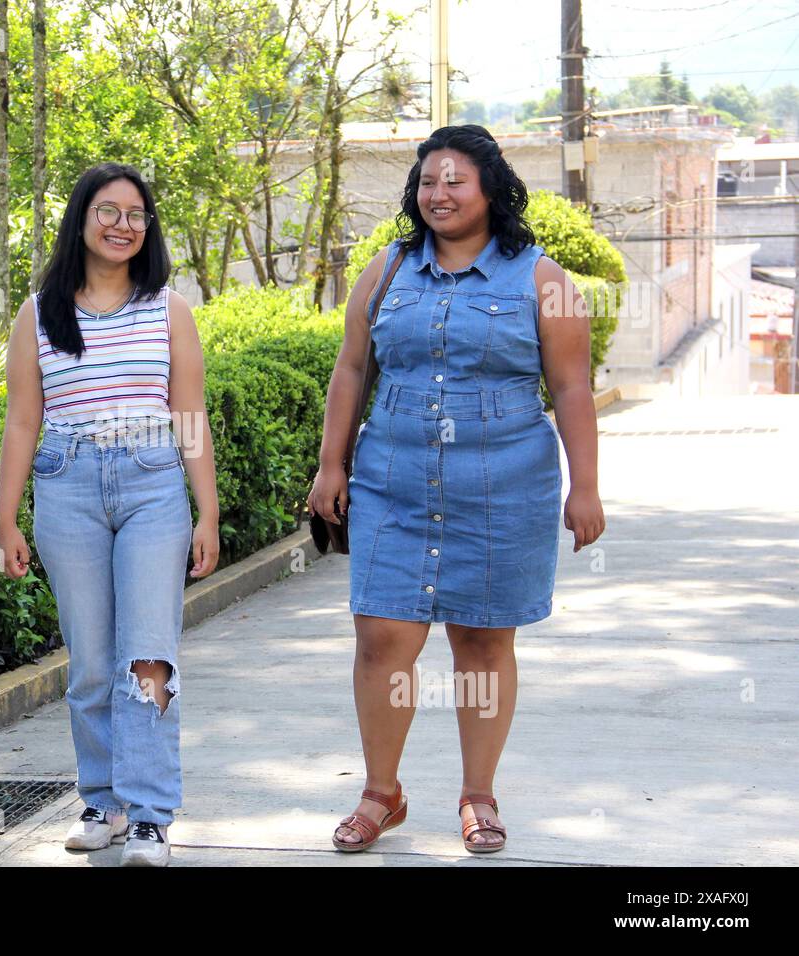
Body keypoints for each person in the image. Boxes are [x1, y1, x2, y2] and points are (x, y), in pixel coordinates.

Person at [308, 125, 605, 855]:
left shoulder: (544, 280)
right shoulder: (385, 270)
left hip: (504, 485)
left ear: (489, 189)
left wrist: (586, 487)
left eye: (454, 182)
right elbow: (352, 370)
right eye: (427, 182)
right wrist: (331, 464)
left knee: (480, 640)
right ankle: (382, 794)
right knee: (382, 635)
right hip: (394, 480)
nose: (437, 194)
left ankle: (478, 795)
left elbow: (571, 389)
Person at [0, 162, 220, 867]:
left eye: (137, 214)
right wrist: (7, 518)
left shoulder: (168, 309)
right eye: (109, 211)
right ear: (82, 220)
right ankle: (104, 801)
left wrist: (206, 511)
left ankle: (151, 814)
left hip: (153, 485)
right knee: (91, 662)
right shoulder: (39, 313)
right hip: (67, 486)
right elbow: (22, 421)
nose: (124, 225)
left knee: (147, 657)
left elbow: (189, 415)